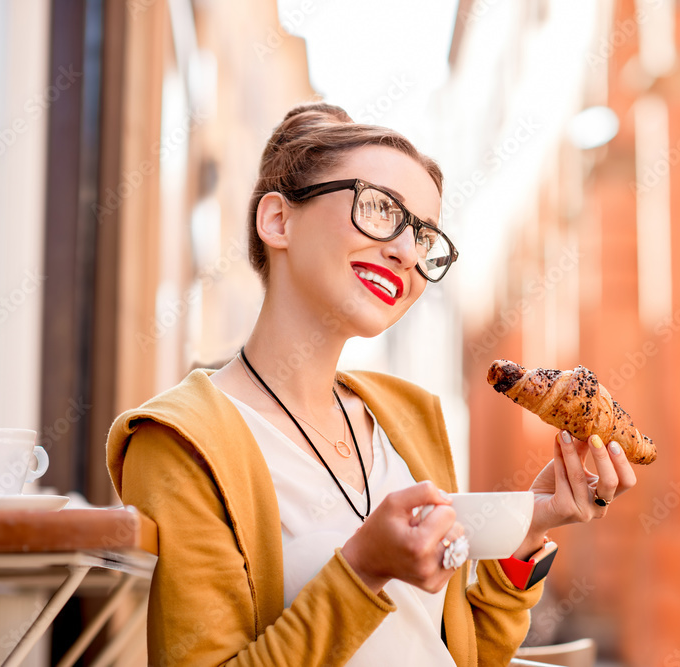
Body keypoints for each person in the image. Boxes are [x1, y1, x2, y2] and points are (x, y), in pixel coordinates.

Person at [105, 102, 637, 666]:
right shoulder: (179, 441)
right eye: (381, 208)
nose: (407, 252)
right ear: (278, 221)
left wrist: (531, 527)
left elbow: (452, 653)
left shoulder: (406, 417)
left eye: (425, 237)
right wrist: (363, 571)